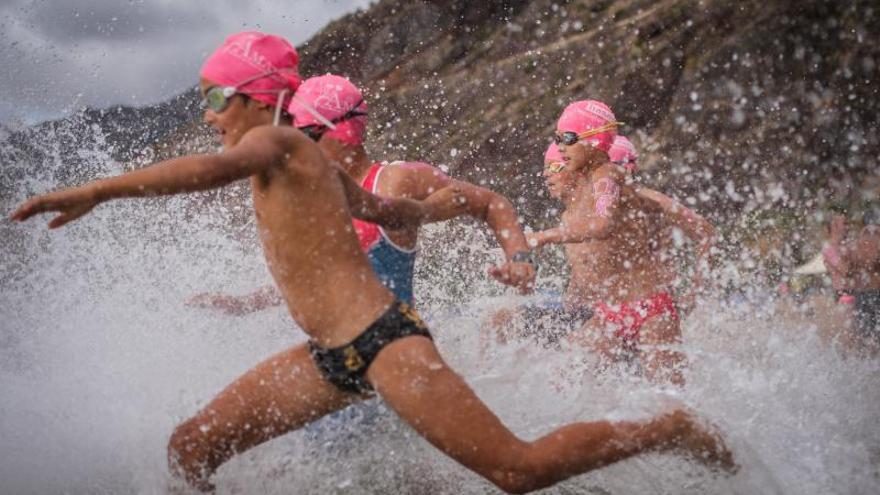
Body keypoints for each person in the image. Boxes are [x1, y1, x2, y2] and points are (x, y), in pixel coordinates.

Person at [9, 33, 734, 493]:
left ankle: (666, 426)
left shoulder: (276, 144)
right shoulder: (313, 169)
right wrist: (435, 213)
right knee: (191, 446)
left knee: (519, 469)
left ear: (255, 99)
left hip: (386, 344)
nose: (208, 112)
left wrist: (98, 190)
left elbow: (205, 169)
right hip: (328, 354)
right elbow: (388, 214)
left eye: (214, 96)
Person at [188, 74, 534, 313]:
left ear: (341, 133)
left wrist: (519, 259)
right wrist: (242, 305)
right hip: (345, 356)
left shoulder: (394, 180)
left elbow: (490, 202)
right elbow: (321, 278)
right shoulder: (312, 199)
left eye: (305, 134)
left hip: (393, 354)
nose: (296, 148)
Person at [527, 101, 698, 386]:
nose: (561, 146)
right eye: (557, 140)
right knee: (562, 382)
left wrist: (542, 237)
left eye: (567, 139)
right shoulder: (582, 195)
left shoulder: (608, 176)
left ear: (594, 141)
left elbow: (603, 225)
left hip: (650, 310)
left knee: (669, 396)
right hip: (609, 313)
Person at [833, 209, 880, 351]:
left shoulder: (855, 244)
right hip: (874, 293)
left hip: (861, 294)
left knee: (865, 338)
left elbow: (846, 270)